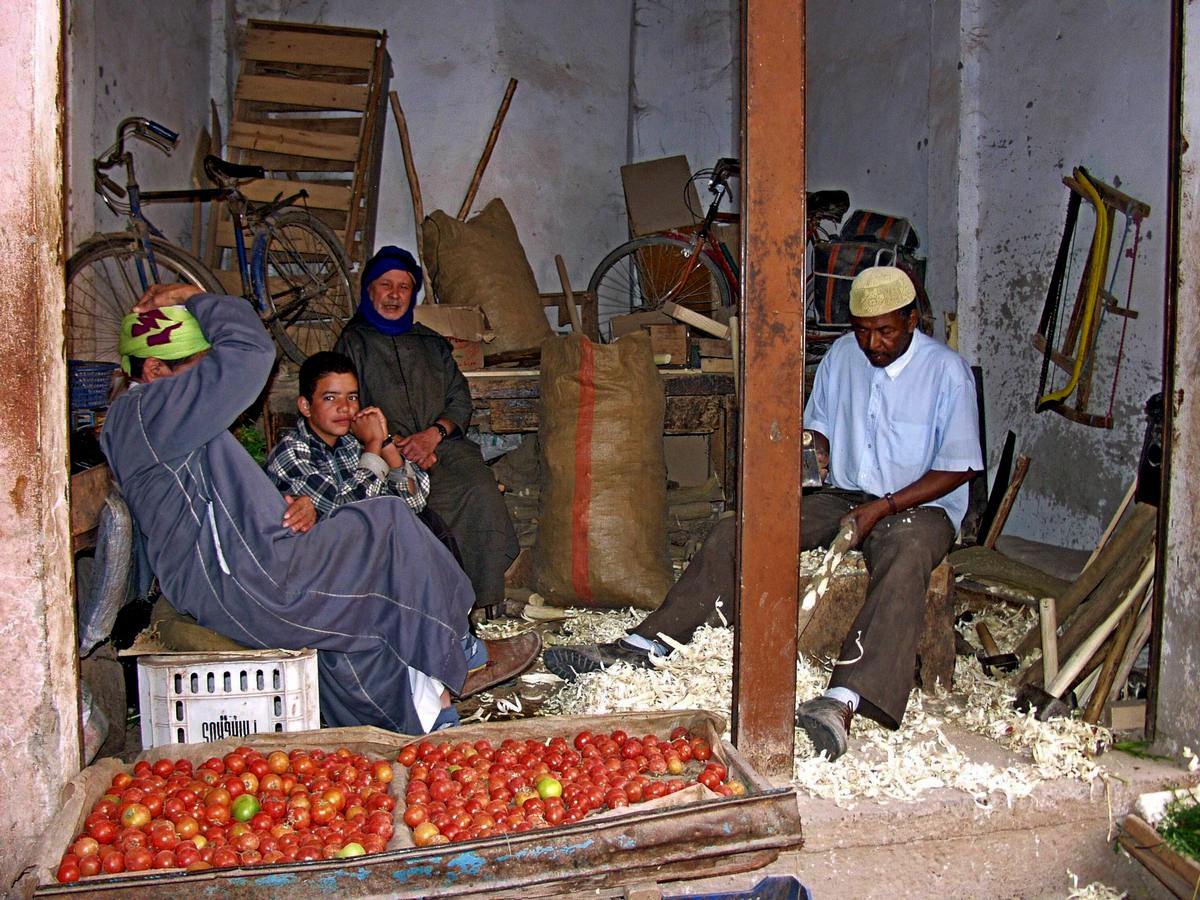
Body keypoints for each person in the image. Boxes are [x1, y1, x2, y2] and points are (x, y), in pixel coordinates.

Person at [545, 266, 982, 760]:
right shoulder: (843, 356)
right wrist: (810, 454)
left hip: (919, 505)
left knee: (905, 555)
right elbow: (818, 427)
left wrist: (884, 507)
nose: (873, 344)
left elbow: (961, 466)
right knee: (740, 531)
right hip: (844, 495)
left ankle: (843, 700)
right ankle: (648, 644)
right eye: (863, 331)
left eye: (885, 331)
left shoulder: (946, 371)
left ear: (911, 320)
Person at [101, 284, 508, 735]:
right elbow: (251, 350)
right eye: (199, 366)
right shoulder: (149, 412)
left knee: (374, 598)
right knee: (387, 525)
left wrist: (278, 504)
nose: (209, 384)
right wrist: (193, 295)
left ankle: (428, 716)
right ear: (155, 370)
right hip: (247, 577)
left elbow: (207, 499)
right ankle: (458, 649)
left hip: (247, 563)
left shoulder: (146, 418)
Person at [264, 350, 540, 690]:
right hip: (319, 575)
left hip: (358, 557)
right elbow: (352, 512)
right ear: (306, 406)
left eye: (352, 397)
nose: (345, 408)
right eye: (330, 398)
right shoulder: (293, 453)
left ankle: (455, 646)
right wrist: (373, 445)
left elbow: (414, 500)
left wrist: (387, 446)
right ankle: (459, 654)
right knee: (396, 530)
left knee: (430, 525)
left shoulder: (350, 445)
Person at [335, 247, 519, 616]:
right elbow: (346, 407)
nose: (394, 295)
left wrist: (434, 434)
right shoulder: (353, 344)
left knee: (479, 489)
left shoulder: (430, 343)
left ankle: (481, 601)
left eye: (403, 287)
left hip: (442, 445)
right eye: (385, 285)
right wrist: (389, 444)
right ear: (369, 291)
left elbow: (459, 399)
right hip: (386, 452)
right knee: (417, 505)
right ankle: (432, 606)